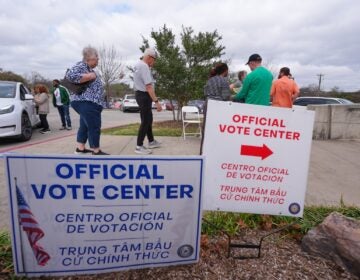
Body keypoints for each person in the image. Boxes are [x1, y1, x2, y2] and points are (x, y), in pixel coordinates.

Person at [66, 46, 109, 155]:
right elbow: (70, 76)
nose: (98, 60)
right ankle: (96, 150)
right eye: (96, 57)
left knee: (85, 125)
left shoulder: (88, 68)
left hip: (87, 102)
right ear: (88, 58)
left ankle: (80, 148)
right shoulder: (82, 65)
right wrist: (90, 76)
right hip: (86, 102)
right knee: (94, 126)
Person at [133, 48, 162, 155]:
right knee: (145, 121)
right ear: (150, 57)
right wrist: (157, 102)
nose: (154, 63)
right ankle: (139, 146)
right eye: (154, 60)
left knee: (148, 119)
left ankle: (151, 141)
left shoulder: (138, 64)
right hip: (144, 95)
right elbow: (149, 86)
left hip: (140, 94)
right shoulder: (144, 66)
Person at [201, 63, 232, 154]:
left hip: (208, 105)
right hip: (218, 107)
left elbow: (205, 93)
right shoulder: (224, 81)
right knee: (217, 130)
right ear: (225, 70)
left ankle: (204, 151)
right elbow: (226, 97)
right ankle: (216, 152)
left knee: (206, 129)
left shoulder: (209, 80)